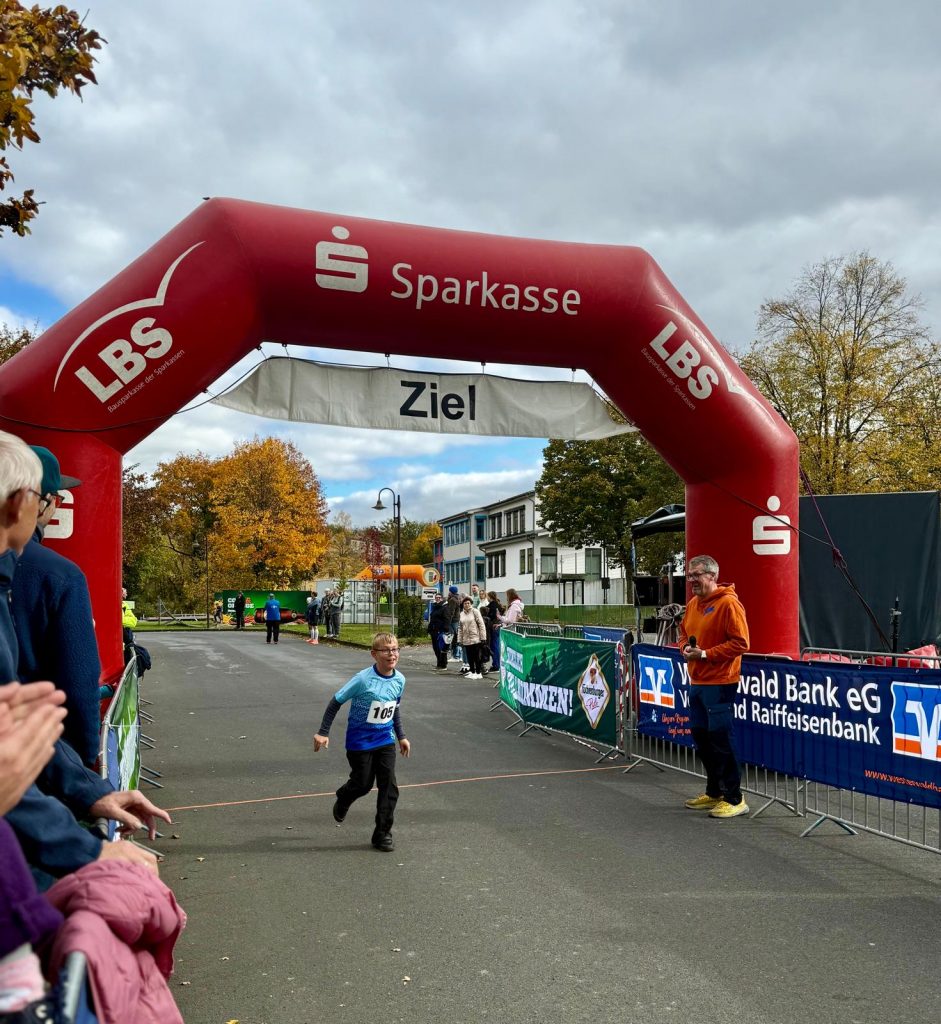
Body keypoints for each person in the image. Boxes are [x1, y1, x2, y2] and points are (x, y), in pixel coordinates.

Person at [11, 445, 100, 768]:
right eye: (58, 498)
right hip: (41, 764)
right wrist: (85, 767)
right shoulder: (60, 576)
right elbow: (78, 687)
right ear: (44, 503)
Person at [312, 632, 410, 852]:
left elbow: (394, 709)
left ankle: (382, 834)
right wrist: (323, 732)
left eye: (395, 649)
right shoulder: (363, 680)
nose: (392, 654)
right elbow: (335, 701)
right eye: (386, 650)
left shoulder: (400, 679)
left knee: (389, 786)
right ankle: (345, 796)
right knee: (363, 784)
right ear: (374, 654)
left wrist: (401, 736)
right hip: (360, 741)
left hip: (385, 740)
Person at [678, 554, 750, 820]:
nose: (691, 580)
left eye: (696, 575)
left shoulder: (729, 604)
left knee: (721, 740)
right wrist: (685, 648)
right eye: (689, 575)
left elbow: (742, 643)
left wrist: (706, 654)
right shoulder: (693, 604)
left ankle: (735, 798)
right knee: (701, 738)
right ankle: (714, 791)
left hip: (721, 682)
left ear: (712, 575)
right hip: (697, 681)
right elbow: (683, 633)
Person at [457, 596, 487, 679]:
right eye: (465, 603)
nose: (466, 605)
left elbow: (481, 624)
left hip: (475, 637)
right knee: (469, 656)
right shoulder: (461, 614)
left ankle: (478, 672)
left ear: (471, 604)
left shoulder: (475, 611)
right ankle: (472, 671)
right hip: (466, 639)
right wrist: (459, 639)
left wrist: (483, 637)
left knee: (476, 656)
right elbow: (460, 628)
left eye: (468, 603)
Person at [428, 594, 450, 672]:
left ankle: (443, 664)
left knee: (441, 648)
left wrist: (445, 630)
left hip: (440, 631)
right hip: (433, 630)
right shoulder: (435, 607)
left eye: (439, 598)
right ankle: (439, 664)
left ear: (442, 599)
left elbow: (447, 619)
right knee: (436, 648)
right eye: (436, 597)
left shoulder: (445, 608)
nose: (437, 599)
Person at [485, 591, 505, 670]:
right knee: (496, 645)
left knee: (494, 646)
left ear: (490, 597)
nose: (487, 598)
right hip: (497, 626)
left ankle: (496, 665)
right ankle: (496, 664)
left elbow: (492, 616)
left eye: (487, 596)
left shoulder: (492, 605)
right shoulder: (498, 604)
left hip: (494, 627)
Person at [446, 585, 462, 661]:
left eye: (449, 591)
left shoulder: (452, 599)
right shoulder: (457, 597)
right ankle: (459, 655)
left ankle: (455, 656)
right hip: (456, 619)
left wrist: (448, 622)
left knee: (454, 637)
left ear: (451, 591)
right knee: (456, 636)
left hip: (453, 620)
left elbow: (451, 612)